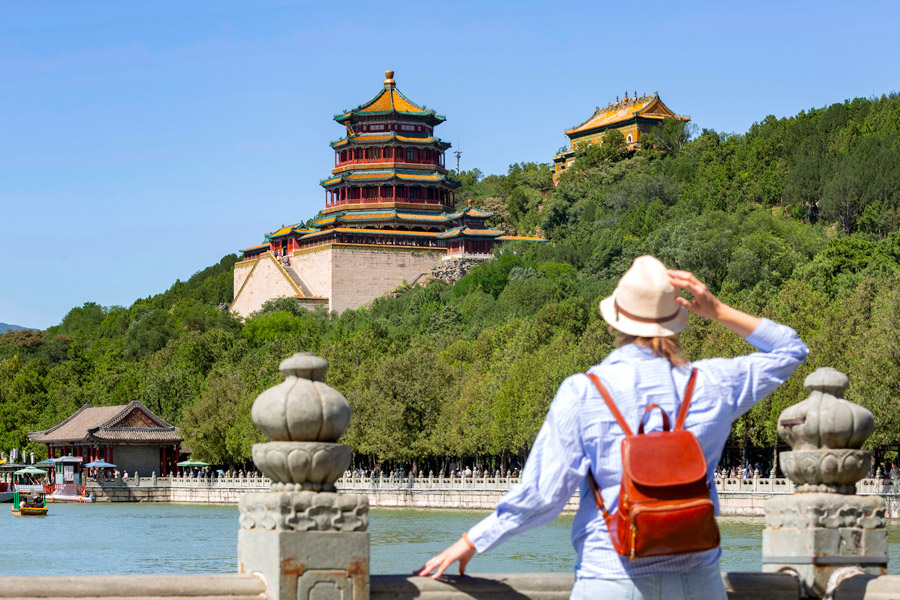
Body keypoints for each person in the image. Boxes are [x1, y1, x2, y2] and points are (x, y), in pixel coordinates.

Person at [416, 256, 808, 599]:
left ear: (613, 321)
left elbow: (543, 496)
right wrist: (719, 310)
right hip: (698, 581)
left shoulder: (584, 392)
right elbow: (791, 349)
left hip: (611, 576)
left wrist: (472, 541)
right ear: (677, 322)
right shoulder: (714, 382)